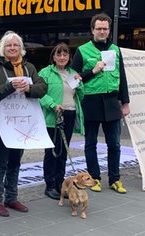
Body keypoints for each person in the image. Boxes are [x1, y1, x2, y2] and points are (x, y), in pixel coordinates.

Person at [71, 13, 130, 194]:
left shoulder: (116, 50)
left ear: (109, 30)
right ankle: (94, 178)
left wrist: (125, 102)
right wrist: (93, 71)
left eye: (105, 29)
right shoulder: (82, 51)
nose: (102, 31)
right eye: (99, 28)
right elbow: (73, 80)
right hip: (91, 102)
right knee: (90, 144)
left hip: (111, 102)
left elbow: (122, 77)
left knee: (114, 144)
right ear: (92, 30)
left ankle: (115, 179)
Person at [0, 31, 47, 217]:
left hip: (23, 123)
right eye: (9, 46)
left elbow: (43, 87)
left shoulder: (29, 67)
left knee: (15, 162)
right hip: (3, 123)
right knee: (0, 163)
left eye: (15, 45)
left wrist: (29, 88)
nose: (12, 48)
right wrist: (9, 86)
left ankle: (11, 197)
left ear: (21, 48)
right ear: (2, 49)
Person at [38, 43, 85, 200]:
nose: (62, 57)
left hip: (69, 114)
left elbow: (80, 95)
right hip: (54, 116)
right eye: (59, 54)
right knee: (52, 152)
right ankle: (50, 185)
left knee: (63, 151)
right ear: (53, 57)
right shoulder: (46, 73)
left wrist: (81, 83)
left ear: (69, 58)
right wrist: (52, 105)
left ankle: (60, 183)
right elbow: (39, 94)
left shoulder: (73, 74)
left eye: (65, 54)